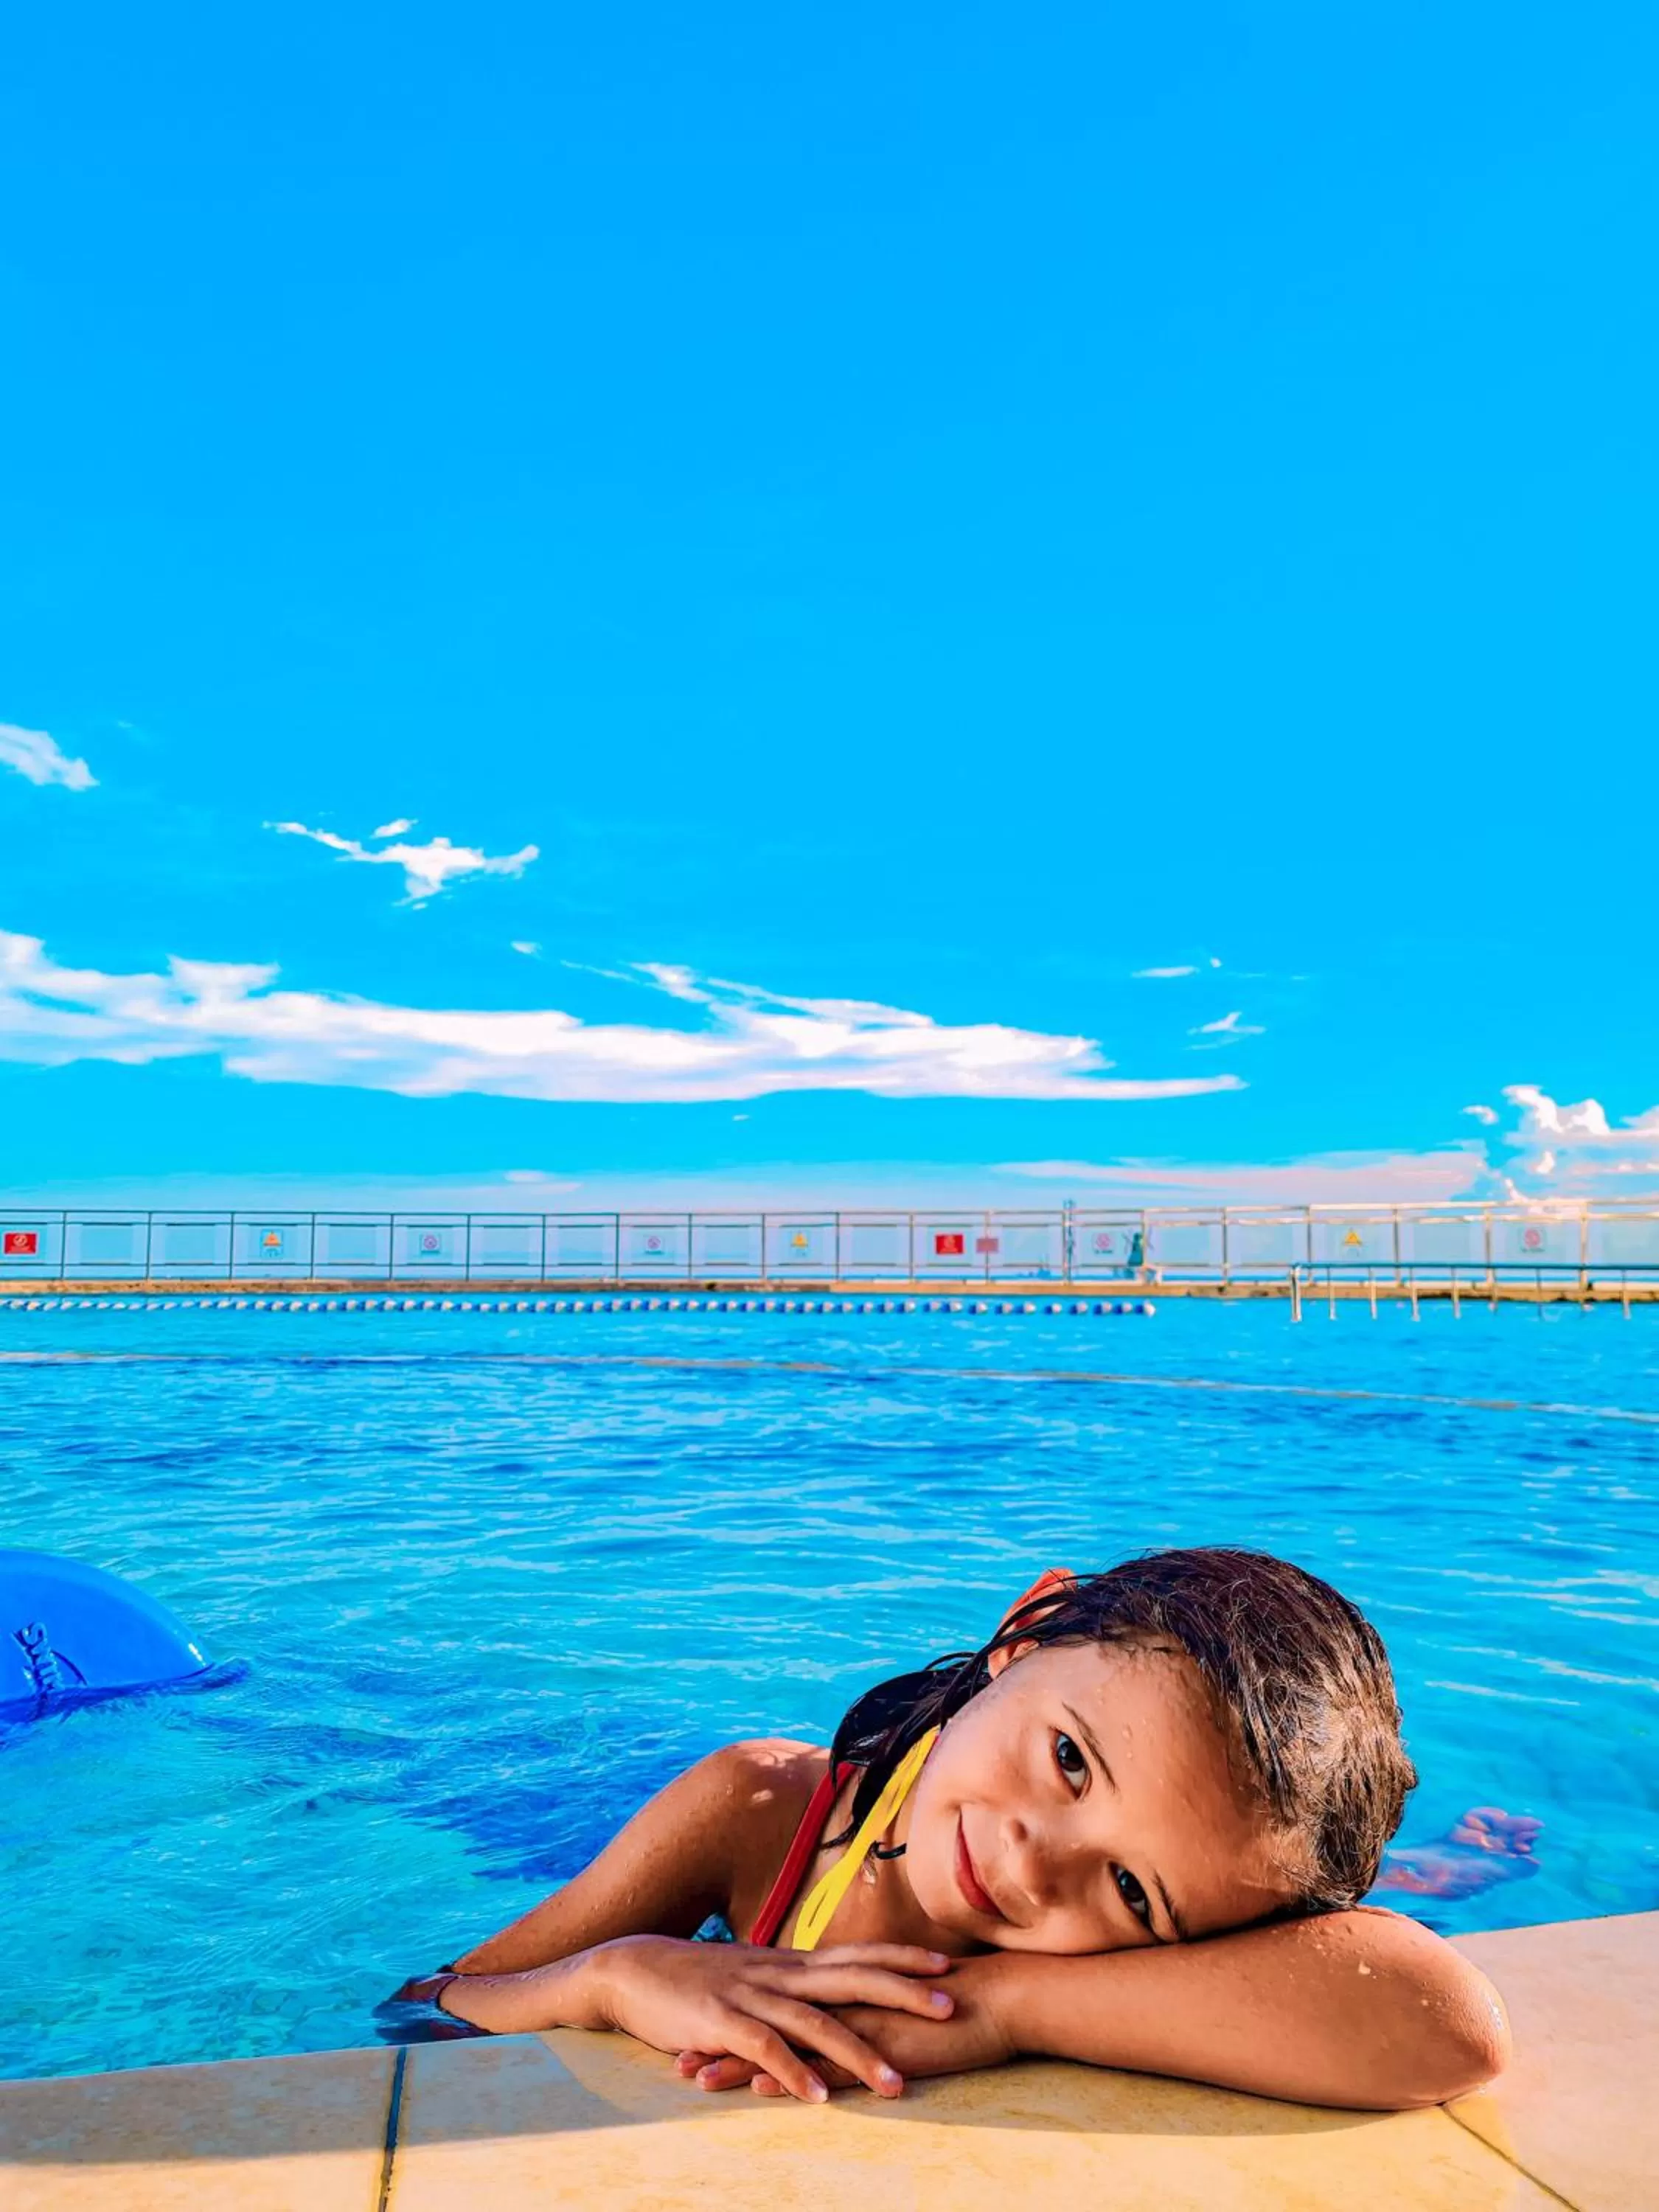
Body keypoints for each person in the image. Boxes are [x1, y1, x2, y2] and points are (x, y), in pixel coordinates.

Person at [386, 1548, 1509, 2110]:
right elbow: (421, 2017)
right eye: (1066, 1758)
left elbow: (1441, 2022)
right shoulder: (763, 1812)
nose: (1033, 1860)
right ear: (1020, 1634)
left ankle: (1430, 1864)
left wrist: (999, 2007)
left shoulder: (1154, 1939)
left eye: (1129, 1891)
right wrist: (616, 1977)